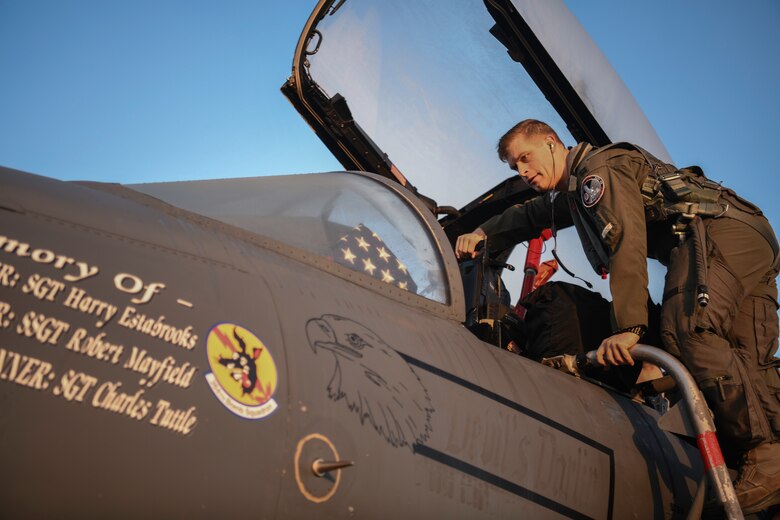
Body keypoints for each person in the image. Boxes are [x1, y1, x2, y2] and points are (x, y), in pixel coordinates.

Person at [456, 119, 780, 514]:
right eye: (513, 167)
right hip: (751, 234)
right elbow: (529, 216)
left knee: (686, 329)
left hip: (718, 231)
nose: (522, 171)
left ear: (552, 143)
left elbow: (625, 241)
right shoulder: (573, 192)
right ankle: (766, 462)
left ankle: (765, 457)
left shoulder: (596, 174)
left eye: (525, 157)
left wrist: (630, 330)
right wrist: (483, 234)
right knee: (746, 359)